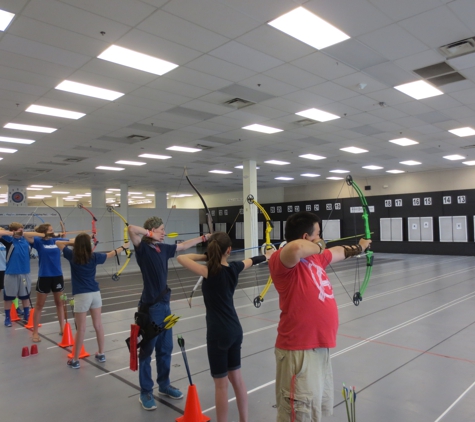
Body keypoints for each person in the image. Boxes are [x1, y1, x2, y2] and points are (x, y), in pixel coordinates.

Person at [268, 211, 371, 422]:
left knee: (313, 412)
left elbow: (338, 251)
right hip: (298, 352)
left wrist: (360, 247)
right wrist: (320, 245)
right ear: (307, 237)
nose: (321, 238)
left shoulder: (316, 257)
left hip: (318, 348)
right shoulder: (283, 260)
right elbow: (296, 247)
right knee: (297, 415)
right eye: (318, 233)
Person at [177, 231, 274, 422]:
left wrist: (206, 256)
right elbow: (253, 260)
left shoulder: (209, 272)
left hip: (218, 333)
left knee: (221, 386)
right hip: (235, 330)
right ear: (229, 250)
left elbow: (182, 257)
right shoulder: (234, 268)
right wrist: (268, 255)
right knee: (237, 379)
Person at [128, 217, 210, 411]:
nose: (164, 233)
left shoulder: (163, 249)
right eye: (161, 230)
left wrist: (205, 237)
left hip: (165, 307)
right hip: (150, 309)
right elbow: (132, 228)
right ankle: (145, 391)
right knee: (147, 351)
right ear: (152, 230)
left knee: (166, 348)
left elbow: (182, 246)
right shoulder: (143, 249)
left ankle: (164, 385)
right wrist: (149, 234)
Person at [56, 234, 129, 369]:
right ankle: (101, 354)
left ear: (77, 245)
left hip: (82, 295)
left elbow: (59, 243)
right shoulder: (94, 257)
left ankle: (75, 360)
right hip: (95, 294)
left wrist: (73, 243)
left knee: (81, 329)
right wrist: (124, 247)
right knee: (98, 325)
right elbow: (112, 254)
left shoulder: (73, 256)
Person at [27, 223, 69, 342]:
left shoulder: (56, 240)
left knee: (60, 303)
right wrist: (41, 234)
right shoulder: (39, 242)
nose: (52, 231)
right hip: (44, 276)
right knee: (39, 305)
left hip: (57, 276)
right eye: (50, 230)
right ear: (44, 232)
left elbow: (69, 240)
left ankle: (62, 328)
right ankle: (35, 332)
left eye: (52, 230)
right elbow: (26, 235)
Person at [0, 223, 38, 327]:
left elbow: (37, 235)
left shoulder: (26, 240)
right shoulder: (9, 240)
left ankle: (26, 315)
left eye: (22, 230)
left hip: (25, 273)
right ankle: (8, 318)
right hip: (11, 273)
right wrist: (12, 233)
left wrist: (23, 233)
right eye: (19, 230)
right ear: (13, 231)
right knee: (8, 297)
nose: (21, 232)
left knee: (25, 296)